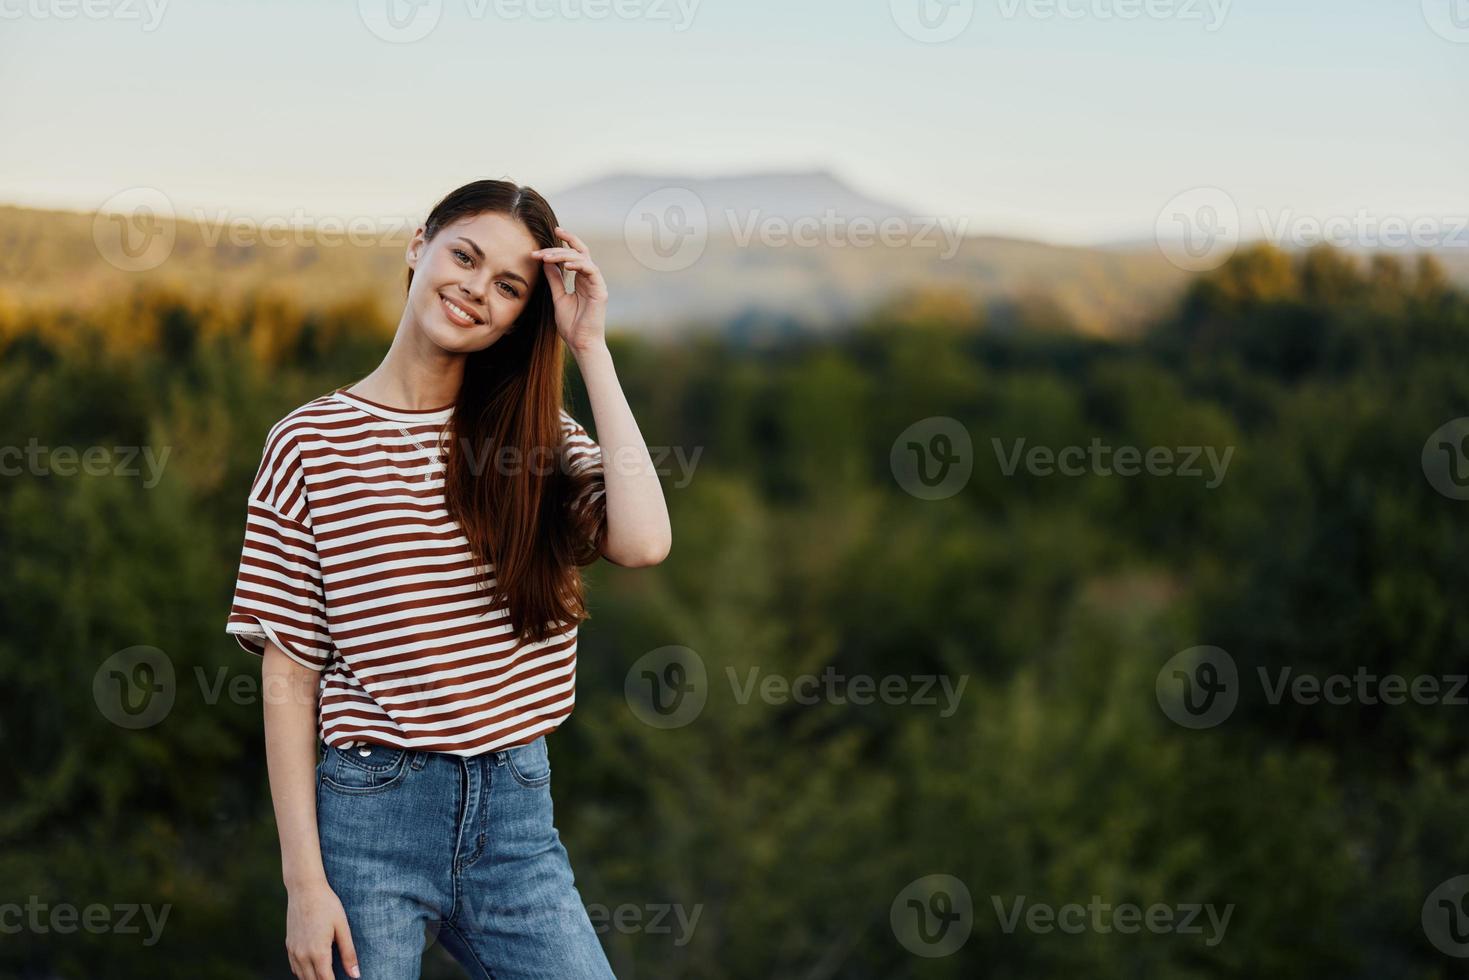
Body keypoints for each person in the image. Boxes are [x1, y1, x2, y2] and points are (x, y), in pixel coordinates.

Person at [224, 178, 671, 980]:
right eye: (463, 256)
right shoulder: (309, 444)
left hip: (516, 819)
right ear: (417, 245)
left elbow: (642, 542)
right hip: (372, 819)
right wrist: (304, 884)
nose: (475, 291)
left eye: (508, 288)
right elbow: (290, 669)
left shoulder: (535, 436)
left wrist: (589, 347)